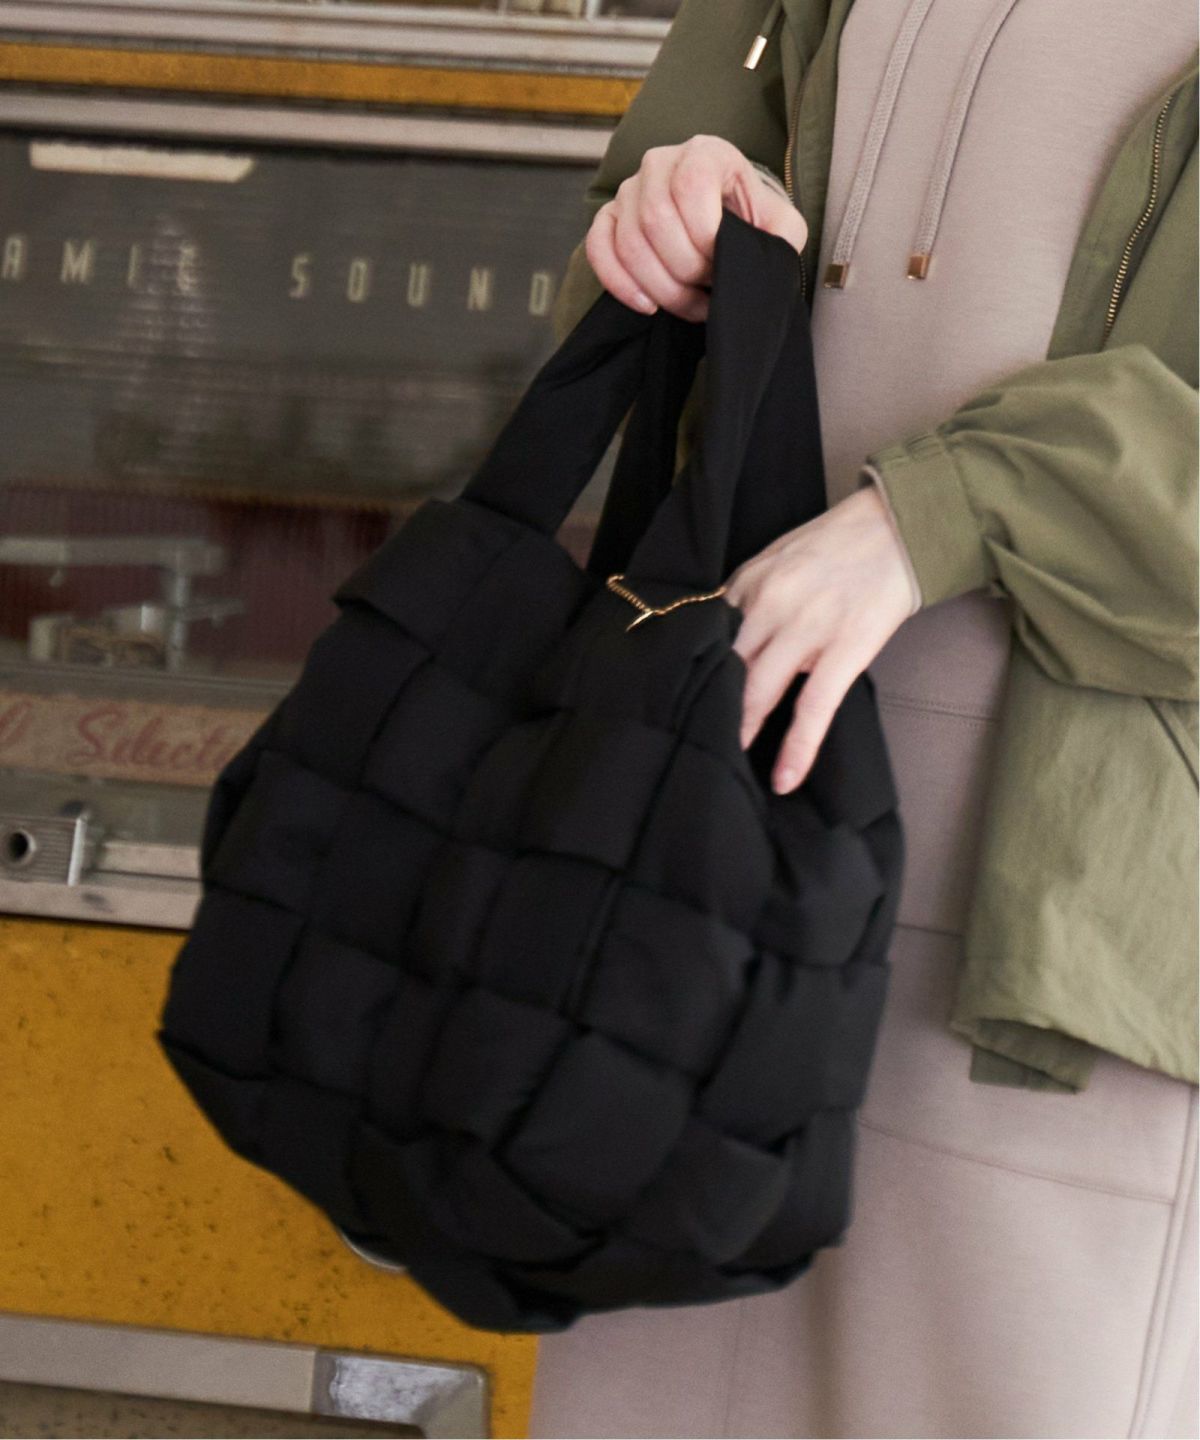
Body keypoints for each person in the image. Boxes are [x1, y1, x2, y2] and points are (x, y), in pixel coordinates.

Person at [528, 2, 1199, 1436]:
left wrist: (931, 516)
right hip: (713, 849)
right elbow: (608, 279)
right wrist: (668, 221)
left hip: (1071, 925)